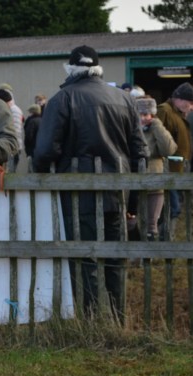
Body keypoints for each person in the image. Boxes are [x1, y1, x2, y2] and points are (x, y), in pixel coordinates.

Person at [33, 45, 147, 319]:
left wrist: (42, 173)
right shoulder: (125, 100)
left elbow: (46, 149)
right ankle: (118, 320)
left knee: (85, 258)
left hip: (77, 193)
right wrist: (132, 200)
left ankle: (92, 322)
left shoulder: (62, 100)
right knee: (115, 258)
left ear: (71, 69)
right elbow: (139, 152)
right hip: (117, 192)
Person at [135, 96, 177, 241]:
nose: (143, 118)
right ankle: (134, 256)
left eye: (146, 114)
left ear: (152, 115)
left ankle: (148, 257)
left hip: (154, 183)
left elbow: (169, 150)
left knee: (151, 224)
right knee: (132, 221)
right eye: (139, 114)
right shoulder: (130, 129)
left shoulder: (156, 128)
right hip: (132, 183)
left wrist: (157, 126)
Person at [156, 82, 192, 240]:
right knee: (172, 208)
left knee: (174, 207)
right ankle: (162, 239)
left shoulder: (178, 114)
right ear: (180, 99)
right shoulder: (164, 110)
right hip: (167, 171)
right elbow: (155, 138)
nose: (191, 107)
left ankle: (164, 238)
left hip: (177, 171)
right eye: (190, 103)